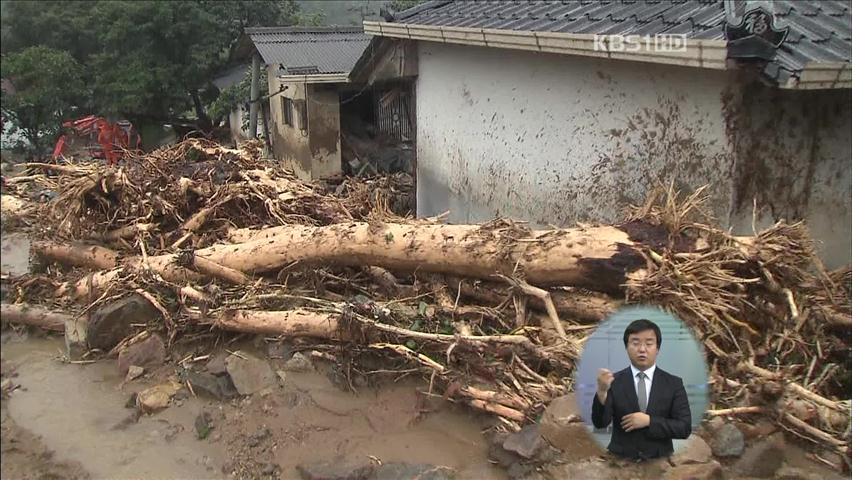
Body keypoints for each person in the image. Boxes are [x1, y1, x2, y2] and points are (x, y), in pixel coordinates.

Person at [591, 318, 691, 460]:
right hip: (620, 461)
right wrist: (602, 392)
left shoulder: (673, 384)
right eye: (635, 343)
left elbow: (684, 428)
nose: (642, 349)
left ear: (657, 348)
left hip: (659, 461)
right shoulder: (614, 381)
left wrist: (649, 421)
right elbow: (600, 423)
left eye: (649, 343)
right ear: (626, 347)